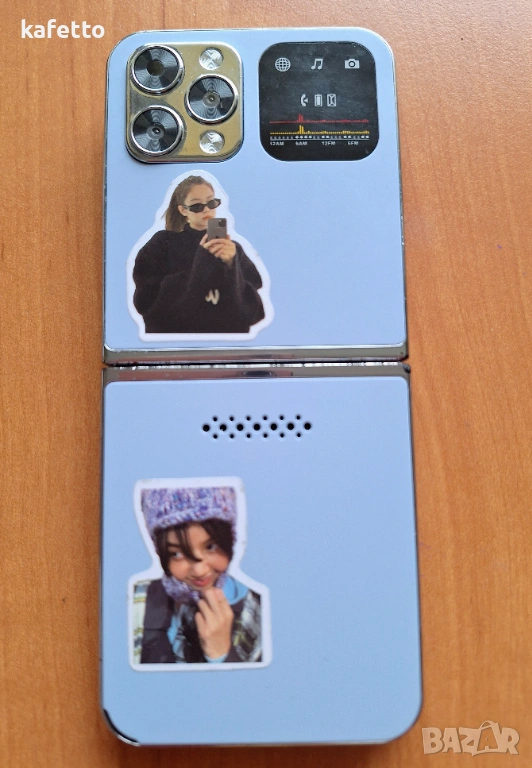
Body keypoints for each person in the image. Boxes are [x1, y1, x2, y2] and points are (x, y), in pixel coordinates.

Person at [132, 486, 262, 665]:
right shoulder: (137, 601)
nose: (199, 571)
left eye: (210, 547)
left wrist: (221, 655)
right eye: (177, 553)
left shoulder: (257, 608)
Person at [132, 176, 265, 334]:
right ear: (183, 210)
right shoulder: (163, 243)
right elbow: (148, 305)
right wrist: (203, 261)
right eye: (196, 206)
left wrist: (232, 265)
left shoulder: (231, 248)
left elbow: (251, 311)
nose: (206, 210)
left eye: (211, 203)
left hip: (226, 340)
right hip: (177, 340)